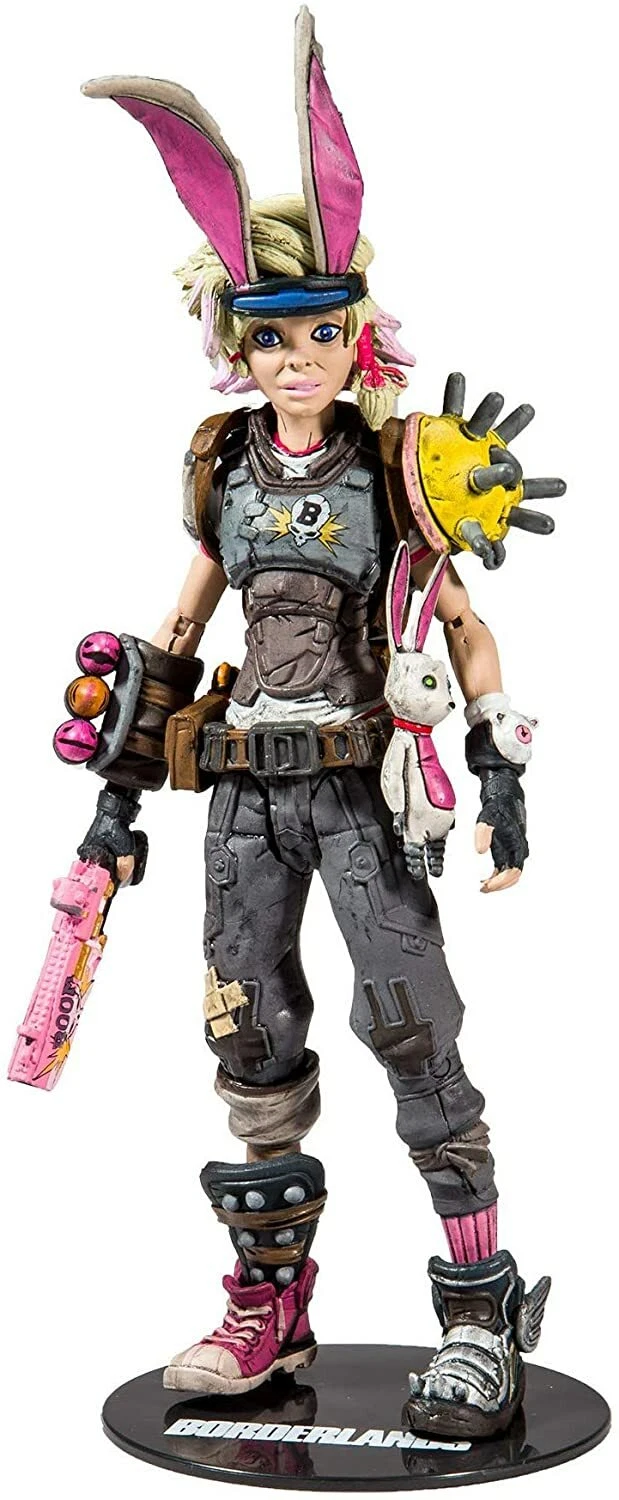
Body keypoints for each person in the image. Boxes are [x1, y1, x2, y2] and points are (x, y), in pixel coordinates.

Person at [78, 8, 563, 1440]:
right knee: (248, 1038)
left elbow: (461, 623)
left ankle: (477, 1314)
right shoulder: (222, 469)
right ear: (238, 341)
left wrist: (497, 765)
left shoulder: (401, 469)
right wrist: (117, 786)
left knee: (411, 1031)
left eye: (324, 332)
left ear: (357, 333)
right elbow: (178, 631)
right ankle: (269, 1310)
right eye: (274, 334)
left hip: (356, 793)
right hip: (242, 800)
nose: (300, 357)